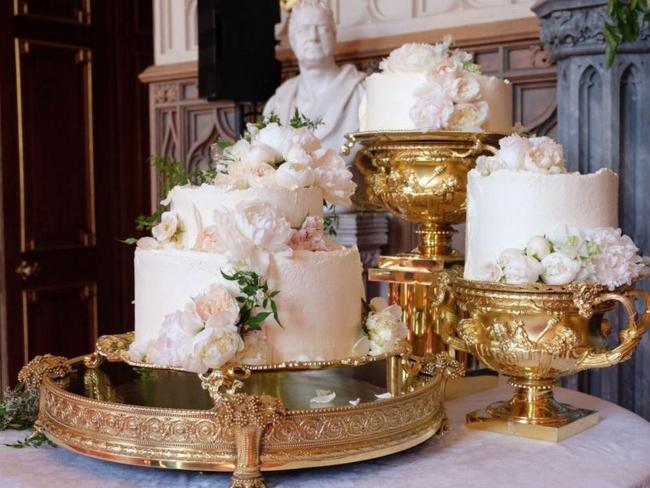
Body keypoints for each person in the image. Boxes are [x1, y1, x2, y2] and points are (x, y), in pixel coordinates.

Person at [264, 0, 366, 153]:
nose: (313, 37)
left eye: (322, 29)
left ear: (334, 36)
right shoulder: (276, 104)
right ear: (292, 40)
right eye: (303, 30)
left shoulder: (362, 94)